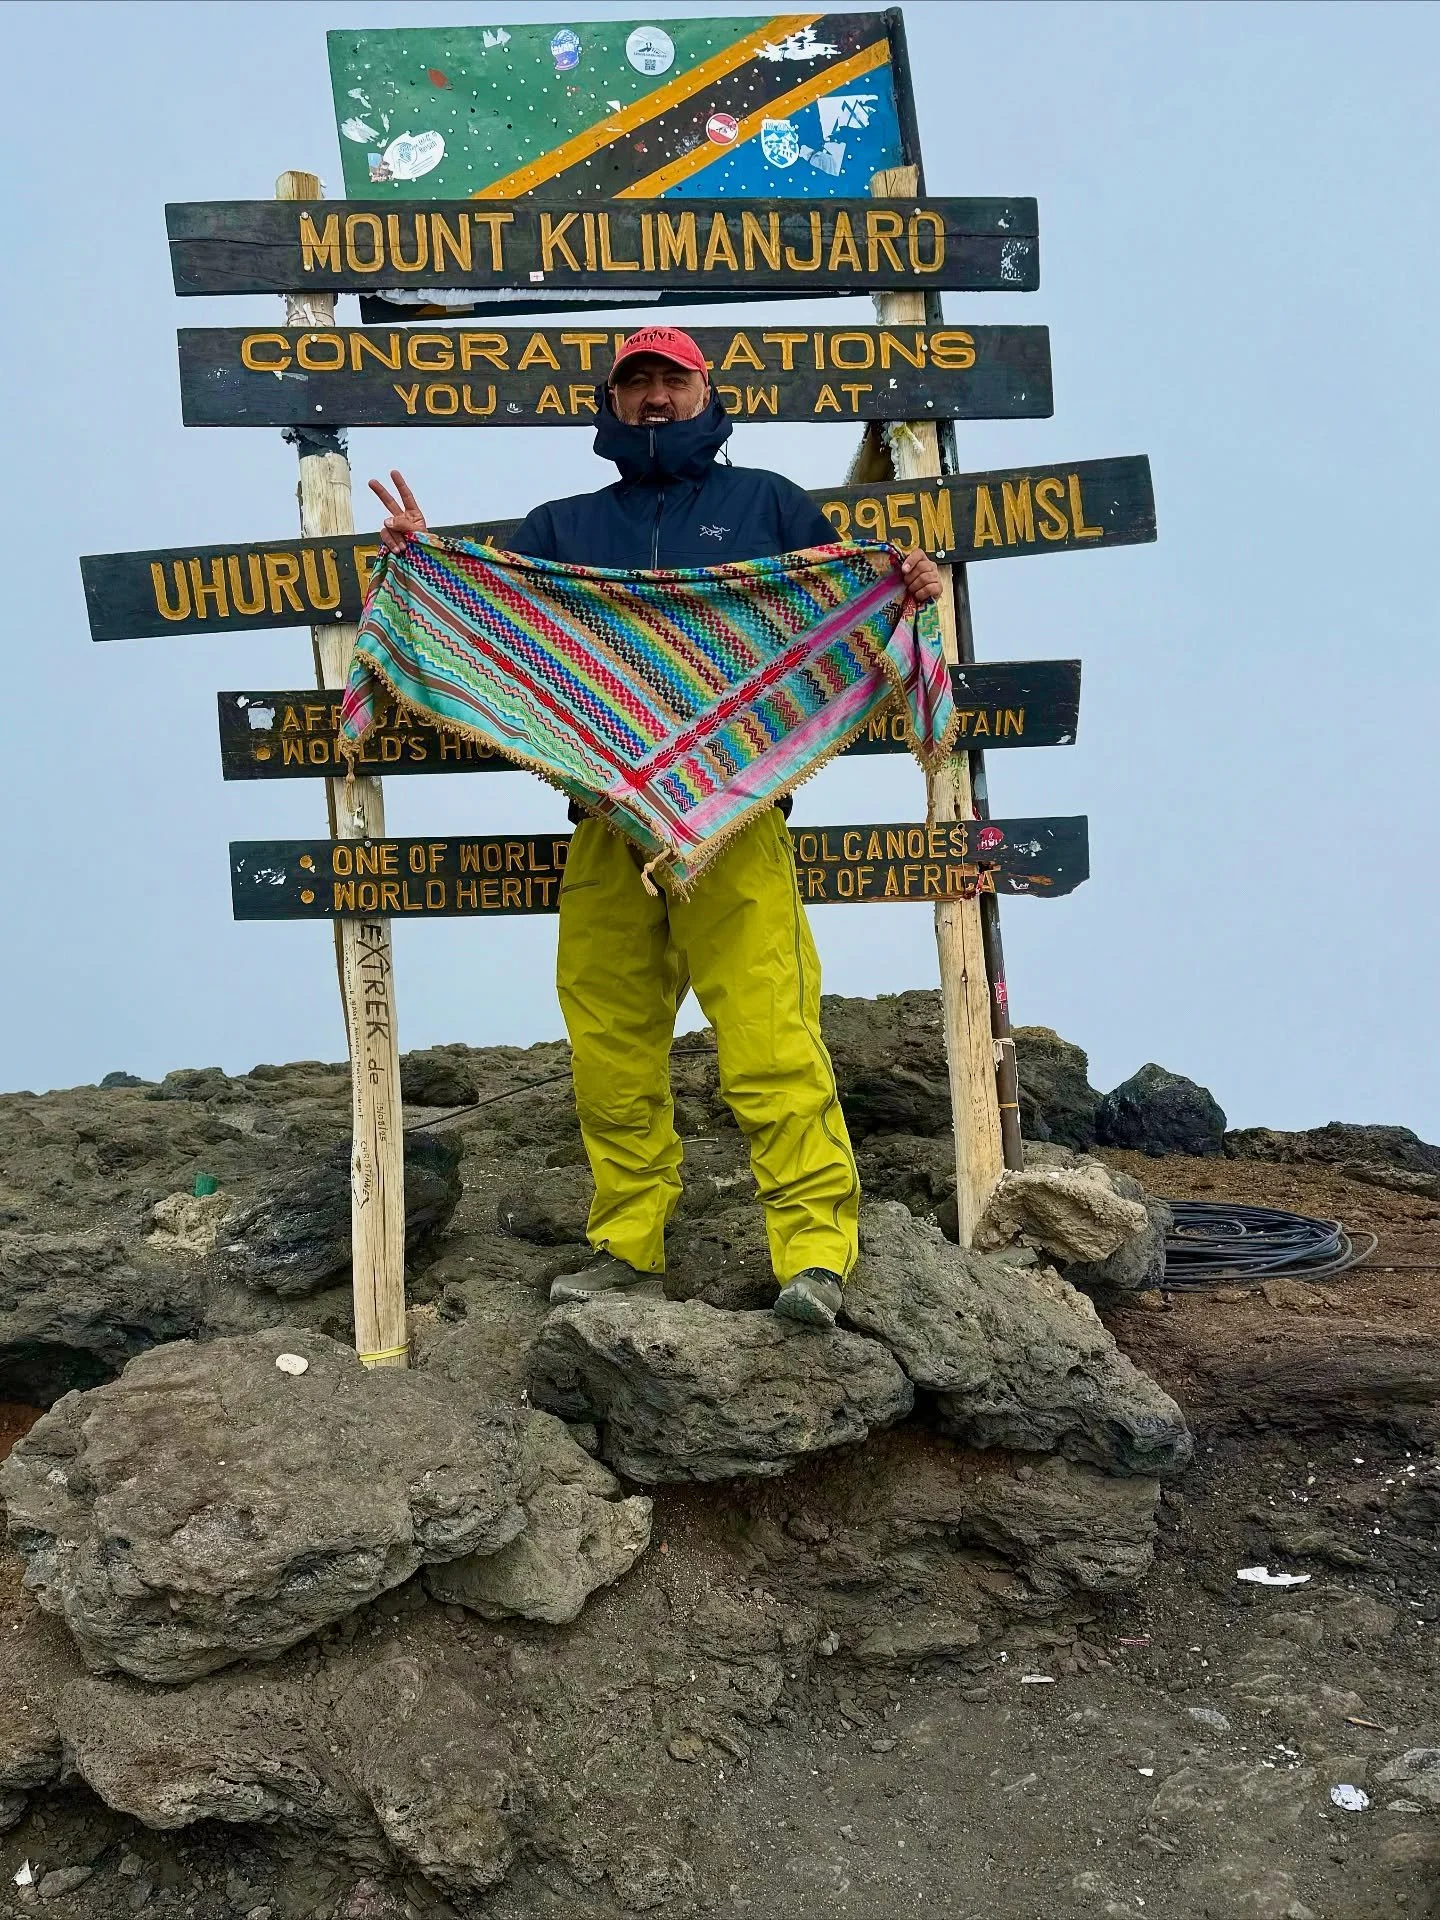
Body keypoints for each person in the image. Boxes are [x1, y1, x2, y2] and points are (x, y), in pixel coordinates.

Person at [370, 326, 942, 1330]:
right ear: (612, 401)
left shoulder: (764, 505)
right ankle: (626, 1247)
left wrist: (907, 593)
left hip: (740, 827)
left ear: (704, 389)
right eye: (635, 383)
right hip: (605, 829)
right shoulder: (561, 528)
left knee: (771, 1040)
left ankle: (814, 1254)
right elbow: (497, 628)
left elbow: (838, 613)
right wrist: (425, 570)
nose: (654, 398)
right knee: (610, 1052)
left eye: (670, 379)